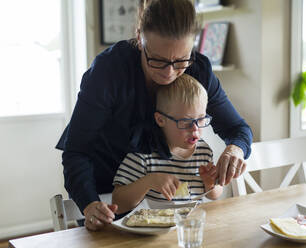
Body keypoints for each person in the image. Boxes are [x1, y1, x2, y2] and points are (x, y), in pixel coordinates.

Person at [56, 0, 252, 231]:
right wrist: (89, 204)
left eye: (181, 61)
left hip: (168, 205)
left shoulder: (200, 69)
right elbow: (77, 151)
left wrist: (235, 149)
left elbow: (237, 129)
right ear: (139, 38)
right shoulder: (108, 71)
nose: (169, 72)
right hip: (107, 194)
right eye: (157, 60)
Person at [112, 74, 223, 214]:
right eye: (186, 122)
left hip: (188, 228)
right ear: (160, 120)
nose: (195, 129)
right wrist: (148, 181)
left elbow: (214, 195)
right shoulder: (144, 154)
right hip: (152, 229)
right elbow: (118, 203)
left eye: (201, 120)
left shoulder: (203, 151)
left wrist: (210, 183)